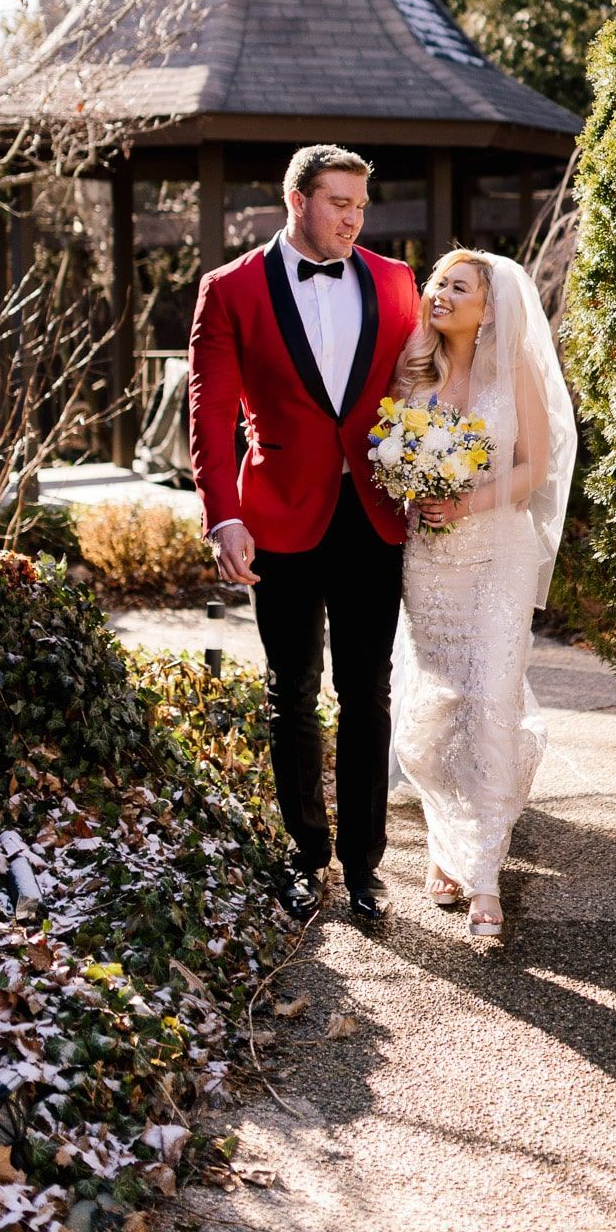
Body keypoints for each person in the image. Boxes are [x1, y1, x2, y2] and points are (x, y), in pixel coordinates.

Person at [187, 144, 420, 924]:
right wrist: (223, 516)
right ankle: (304, 856)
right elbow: (210, 412)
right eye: (338, 203)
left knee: (367, 690)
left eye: (360, 205)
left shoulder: (394, 281)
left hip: (372, 515)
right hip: (277, 514)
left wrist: (437, 475)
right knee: (290, 693)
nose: (353, 218)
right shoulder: (229, 289)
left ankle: (363, 866)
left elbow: (423, 391)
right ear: (297, 201)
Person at [393, 249, 576, 943]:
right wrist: (409, 485)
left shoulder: (517, 371)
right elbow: (392, 453)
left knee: (490, 698)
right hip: (430, 560)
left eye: (456, 286)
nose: (438, 293)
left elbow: (534, 466)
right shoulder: (414, 373)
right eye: (437, 283)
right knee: (440, 705)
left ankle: (484, 874)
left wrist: (467, 503)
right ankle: (446, 840)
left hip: (498, 551)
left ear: (490, 304)